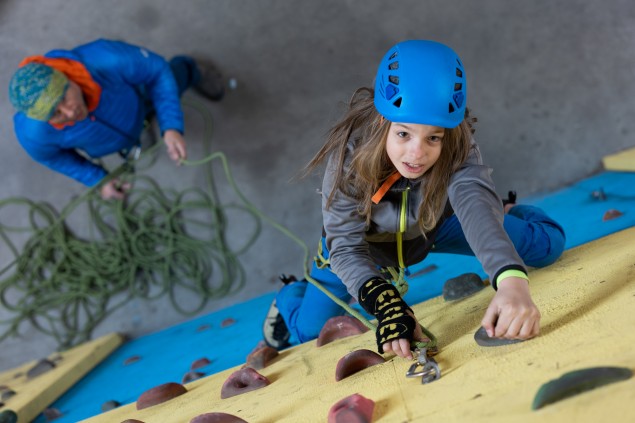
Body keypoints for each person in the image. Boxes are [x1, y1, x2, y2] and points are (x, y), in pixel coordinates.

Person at [263, 40, 566, 359]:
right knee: (306, 332)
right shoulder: (349, 160)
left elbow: (475, 204)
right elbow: (346, 246)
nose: (417, 154)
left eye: (433, 137)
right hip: (360, 249)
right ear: (383, 121)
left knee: (548, 247)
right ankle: (289, 293)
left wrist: (511, 283)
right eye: (404, 134)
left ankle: (510, 209)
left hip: (437, 225)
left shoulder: (459, 144)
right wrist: (386, 304)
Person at [8, 38, 225, 200]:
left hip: (139, 95)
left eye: (65, 97)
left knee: (174, 78)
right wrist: (97, 179)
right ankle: (139, 129)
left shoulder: (108, 59)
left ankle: (192, 69)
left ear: (66, 78)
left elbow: (158, 70)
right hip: (119, 130)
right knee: (136, 126)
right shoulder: (33, 134)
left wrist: (171, 126)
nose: (70, 112)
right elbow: (55, 158)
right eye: (55, 114)